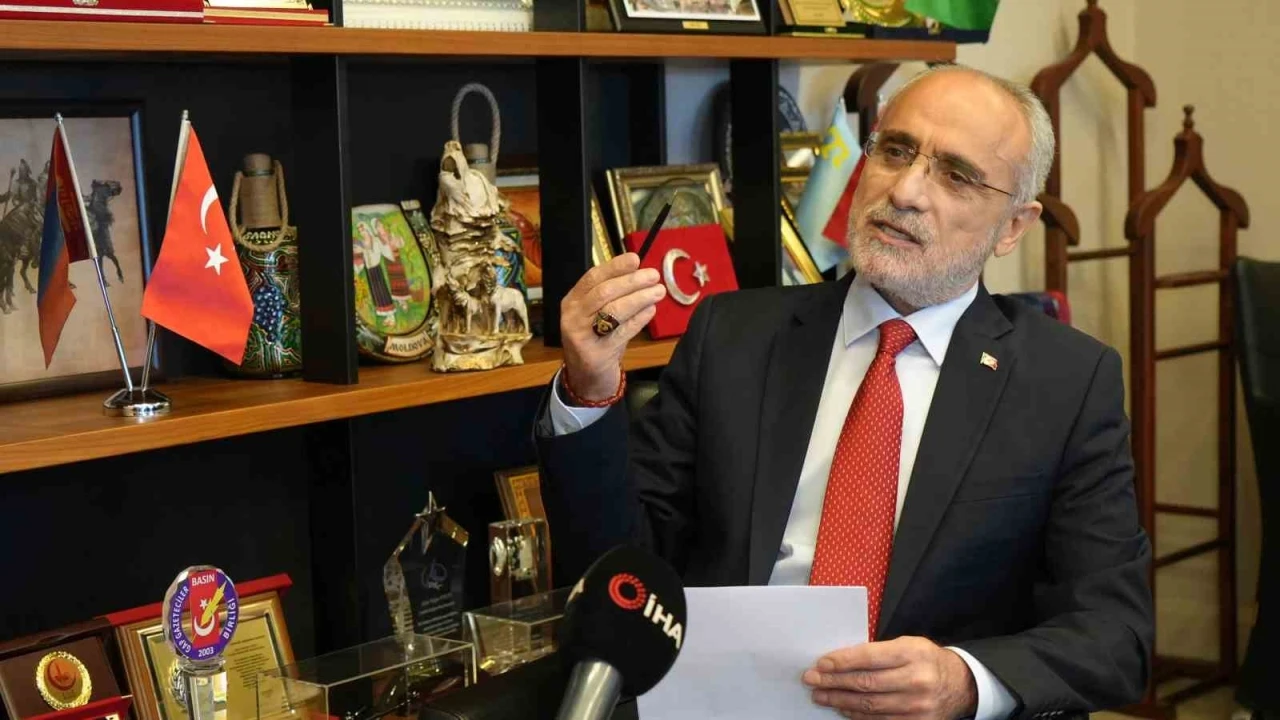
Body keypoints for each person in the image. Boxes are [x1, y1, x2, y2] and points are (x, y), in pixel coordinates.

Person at [535, 64, 1153, 720]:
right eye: (895, 151)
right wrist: (589, 388)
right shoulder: (733, 338)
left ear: (1013, 227)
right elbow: (619, 569)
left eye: (956, 175)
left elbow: (1116, 635)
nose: (906, 191)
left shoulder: (1066, 382)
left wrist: (964, 681)